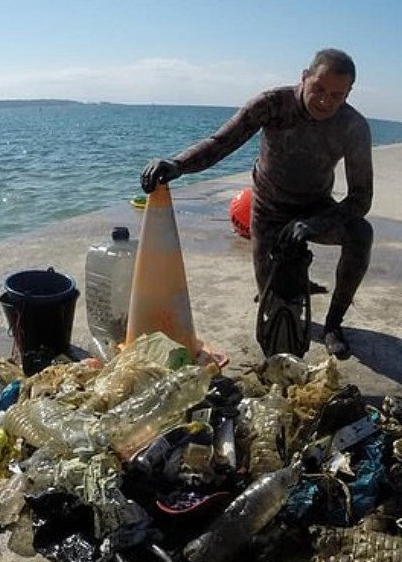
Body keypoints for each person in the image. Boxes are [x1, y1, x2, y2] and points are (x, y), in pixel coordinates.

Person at [141, 48, 373, 359]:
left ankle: (333, 324)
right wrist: (178, 164)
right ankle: (287, 282)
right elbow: (222, 142)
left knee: (361, 233)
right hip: (269, 209)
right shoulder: (272, 104)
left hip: (316, 208)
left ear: (348, 93)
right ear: (304, 77)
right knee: (274, 310)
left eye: (336, 95)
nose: (324, 101)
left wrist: (315, 224)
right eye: (318, 88)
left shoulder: (353, 126)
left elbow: (361, 197)